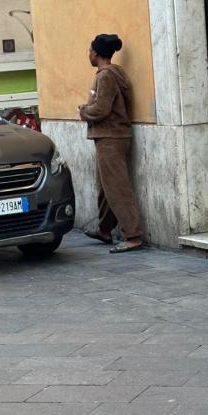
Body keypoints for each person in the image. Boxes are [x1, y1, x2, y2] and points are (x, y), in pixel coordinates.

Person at [79, 33, 144, 253]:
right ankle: (105, 229)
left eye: (89, 50)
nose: (88, 54)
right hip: (112, 136)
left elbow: (101, 108)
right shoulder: (115, 73)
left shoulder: (105, 76)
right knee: (105, 187)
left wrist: (83, 111)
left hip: (110, 137)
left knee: (117, 188)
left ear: (96, 53)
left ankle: (133, 236)